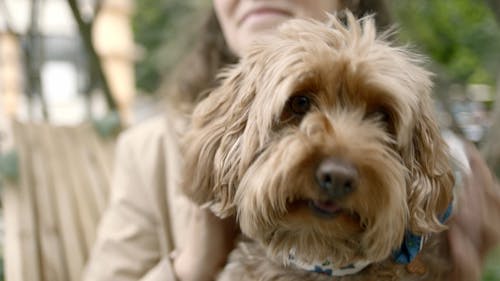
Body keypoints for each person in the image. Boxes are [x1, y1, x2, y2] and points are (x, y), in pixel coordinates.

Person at [83, 1, 392, 281]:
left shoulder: (422, 163)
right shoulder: (149, 152)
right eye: (299, 105)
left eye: (377, 117)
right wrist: (192, 266)